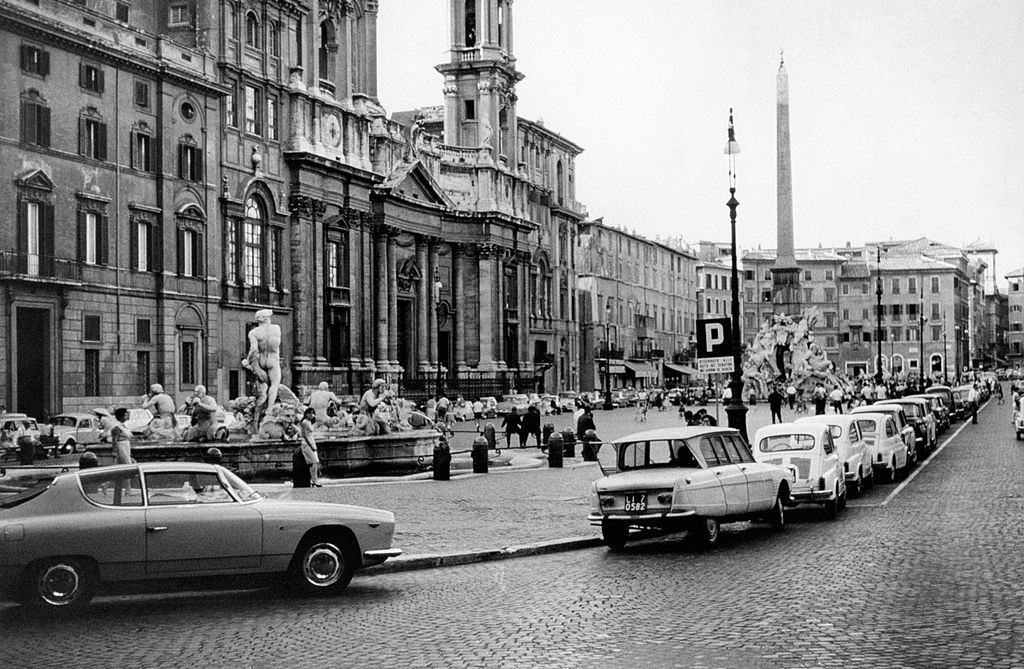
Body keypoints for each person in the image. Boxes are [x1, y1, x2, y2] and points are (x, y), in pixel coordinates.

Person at [242, 309, 282, 431]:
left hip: (261, 361)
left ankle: (259, 412)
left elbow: (254, 349)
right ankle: (269, 411)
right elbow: (276, 346)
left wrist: (247, 361)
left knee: (265, 385)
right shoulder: (276, 328)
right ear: (267, 319)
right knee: (274, 385)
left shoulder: (254, 332)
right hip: (273, 360)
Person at [299, 407, 321, 487]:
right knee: (314, 462)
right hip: (307, 444)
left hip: (311, 443)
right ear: (306, 414)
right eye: (310, 413)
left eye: (313, 413)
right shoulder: (305, 422)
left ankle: (313, 480)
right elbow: (304, 435)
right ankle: (315, 480)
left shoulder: (309, 422)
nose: (312, 415)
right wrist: (311, 446)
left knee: (314, 463)